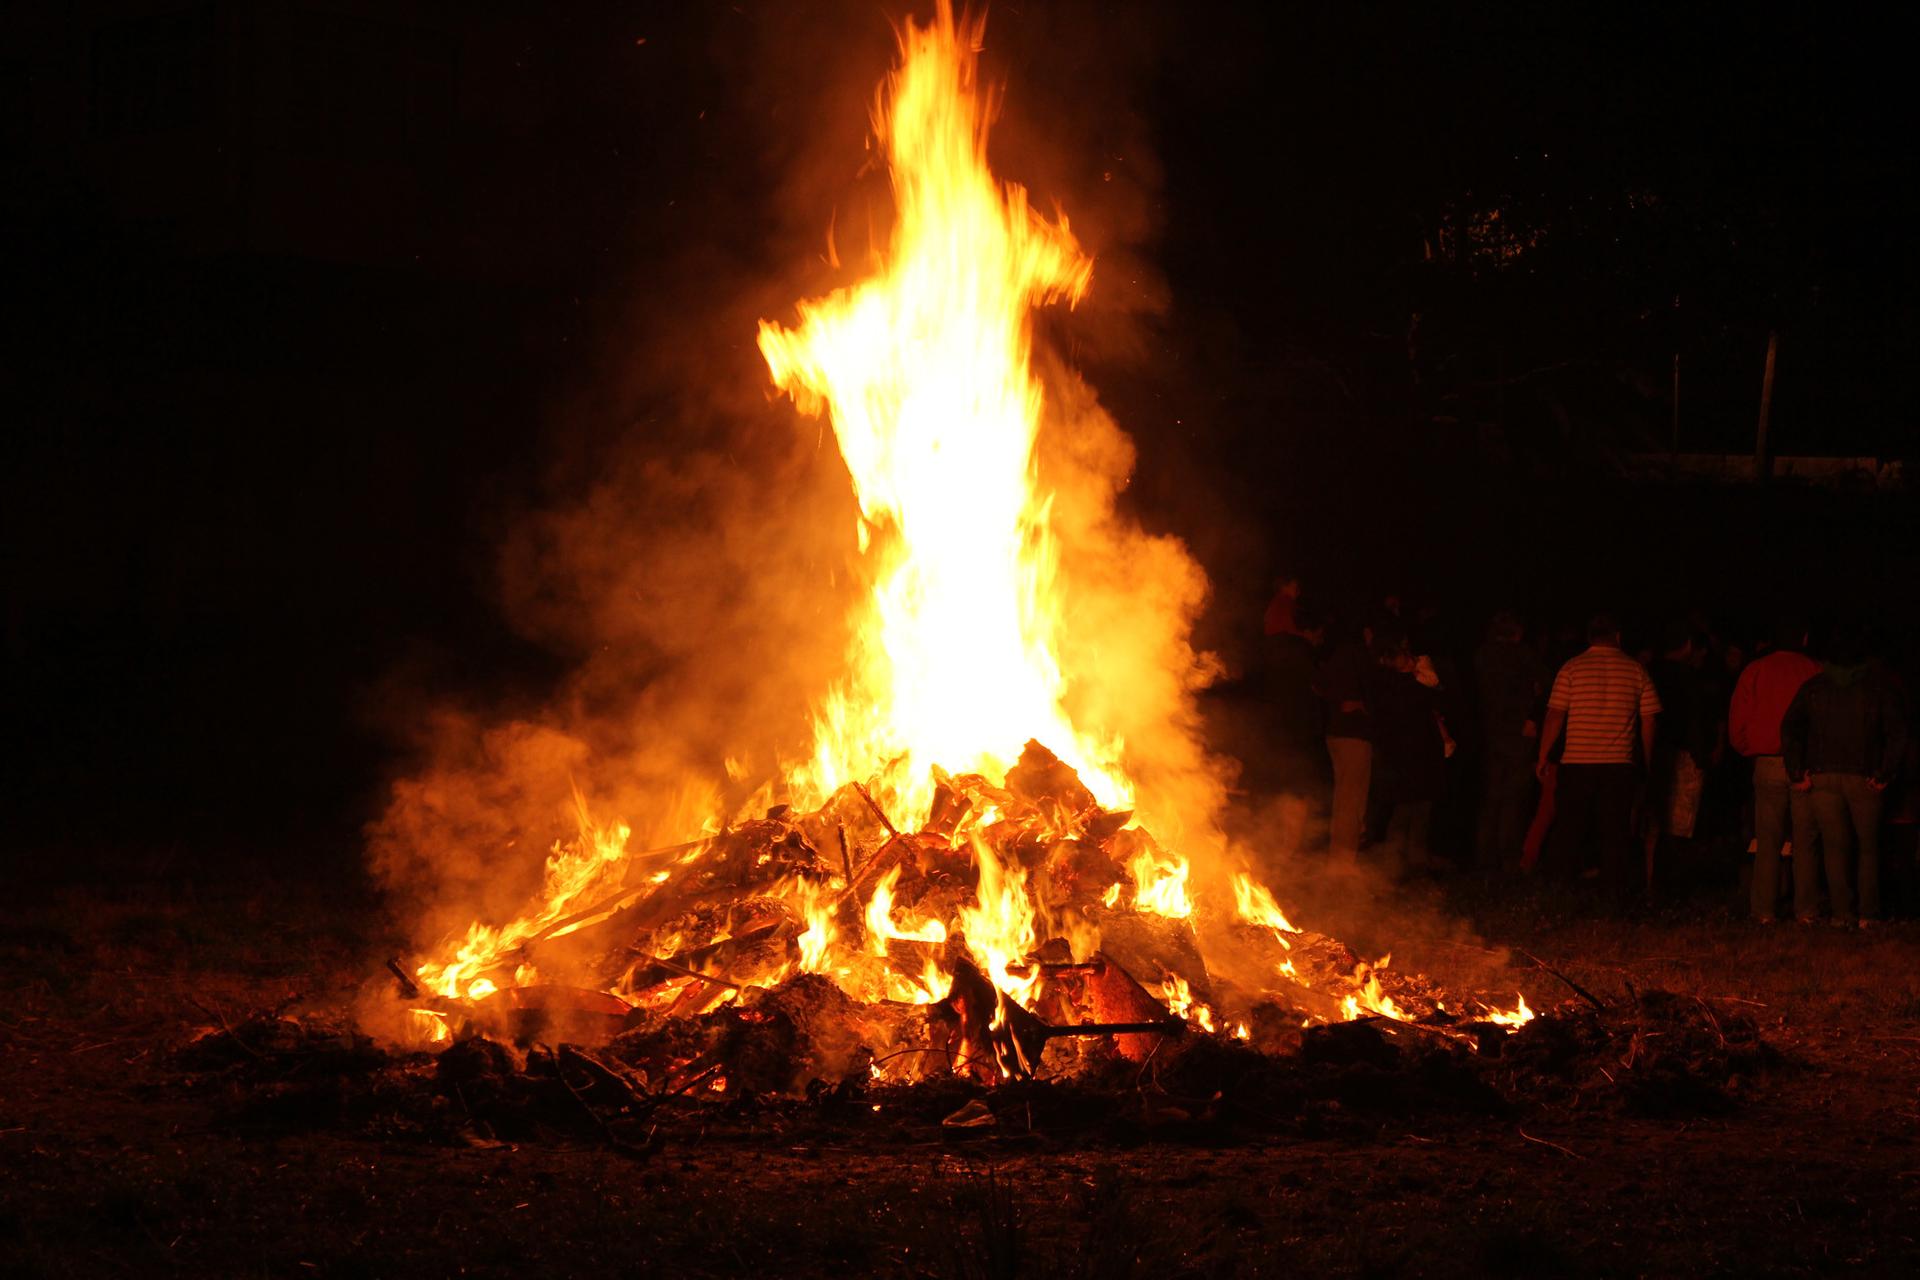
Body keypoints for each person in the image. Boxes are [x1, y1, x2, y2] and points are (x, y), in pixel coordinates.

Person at [1781, 623, 1908, 926]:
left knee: (1834, 849)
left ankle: (1842, 913)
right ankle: (1868, 913)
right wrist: (1885, 772)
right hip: (1864, 777)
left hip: (1823, 777)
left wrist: (1796, 771)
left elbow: (1790, 729)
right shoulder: (1878, 688)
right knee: (1867, 848)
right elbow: (1897, 733)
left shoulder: (1813, 688)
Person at [1536, 614, 1662, 909]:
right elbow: (1649, 721)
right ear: (1618, 636)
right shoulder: (1636, 670)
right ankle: (1613, 895)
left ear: (1589, 636)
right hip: (1618, 764)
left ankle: (1560, 891)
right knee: (1615, 832)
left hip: (1577, 762)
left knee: (1569, 829)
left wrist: (1543, 754)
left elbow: (1555, 714)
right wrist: (1647, 759)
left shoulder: (1571, 668)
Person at [1728, 617, 1820, 922]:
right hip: (1805, 765)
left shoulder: (1755, 670)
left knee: (1767, 839)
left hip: (1766, 761)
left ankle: (1764, 910)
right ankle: (1806, 910)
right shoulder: (1813, 671)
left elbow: (1738, 722)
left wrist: (1748, 749)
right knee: (1805, 840)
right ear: (1804, 638)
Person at [1366, 628, 1451, 874]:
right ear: (1391, 659)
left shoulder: (1405, 683)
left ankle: (1412, 860)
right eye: (1404, 655)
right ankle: (1397, 861)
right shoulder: (1397, 686)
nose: (1410, 658)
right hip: (1406, 755)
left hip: (1415, 754)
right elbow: (1428, 701)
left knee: (1419, 807)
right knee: (1407, 808)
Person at [1473, 610, 1544, 871]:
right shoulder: (1524, 655)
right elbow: (1544, 687)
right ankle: (1508, 857)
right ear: (1518, 631)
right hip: (1518, 734)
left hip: (1490, 732)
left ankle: (1484, 857)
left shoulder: (1482, 655)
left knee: (1491, 796)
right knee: (1514, 797)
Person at [1318, 620, 1375, 864]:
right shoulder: (1358, 657)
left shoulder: (1333, 656)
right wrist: (1362, 705)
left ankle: (1340, 856)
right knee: (1352, 798)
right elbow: (1371, 695)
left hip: (1336, 734)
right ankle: (1342, 861)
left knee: (1344, 796)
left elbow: (1318, 686)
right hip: (1353, 735)